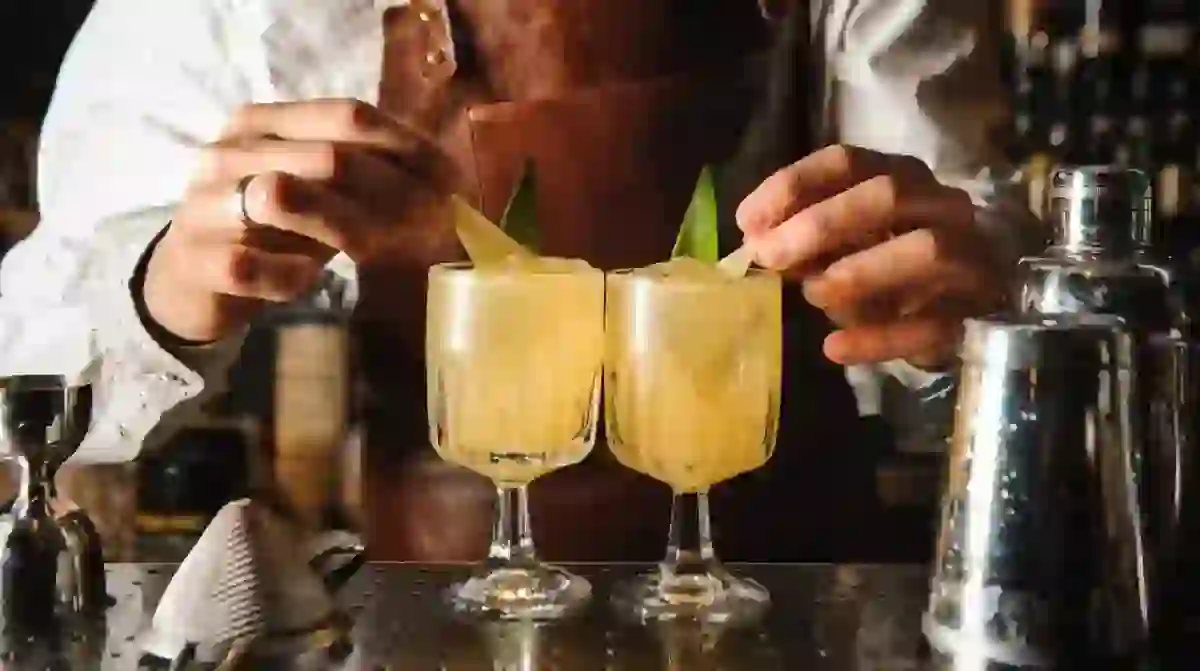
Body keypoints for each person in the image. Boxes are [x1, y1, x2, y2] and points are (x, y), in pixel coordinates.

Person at [0, 0, 1040, 560]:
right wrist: (161, 292)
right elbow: (29, 367)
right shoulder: (224, 15)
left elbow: (977, 262)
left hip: (789, 591)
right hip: (431, 597)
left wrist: (962, 305)